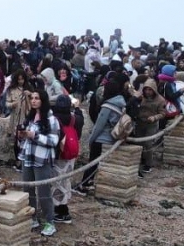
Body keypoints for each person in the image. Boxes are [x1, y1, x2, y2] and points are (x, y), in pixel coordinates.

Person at [17, 90, 60, 237]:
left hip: (42, 160)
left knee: (43, 192)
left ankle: (49, 221)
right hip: (28, 157)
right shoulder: (30, 117)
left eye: (37, 98)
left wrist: (34, 135)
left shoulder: (51, 119)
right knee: (27, 189)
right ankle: (32, 217)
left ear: (43, 100)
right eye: (32, 98)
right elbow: (25, 138)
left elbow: (53, 141)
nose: (34, 101)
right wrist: (22, 136)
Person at [79, 73, 128, 193]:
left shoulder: (108, 106)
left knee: (93, 162)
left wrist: (91, 139)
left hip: (101, 138)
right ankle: (91, 181)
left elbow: (99, 126)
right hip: (112, 138)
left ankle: (84, 184)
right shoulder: (121, 102)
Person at [50, 95, 82, 224]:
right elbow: (81, 119)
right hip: (70, 155)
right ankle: (63, 208)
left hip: (58, 155)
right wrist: (78, 107)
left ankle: (61, 211)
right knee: (65, 181)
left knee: (56, 183)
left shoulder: (54, 119)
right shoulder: (75, 118)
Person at [134, 79, 166, 177]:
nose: (148, 92)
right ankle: (139, 161)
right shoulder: (141, 97)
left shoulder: (160, 100)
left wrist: (154, 117)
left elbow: (163, 113)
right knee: (138, 143)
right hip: (140, 123)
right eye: (146, 89)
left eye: (150, 90)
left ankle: (148, 163)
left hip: (151, 124)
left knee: (148, 143)